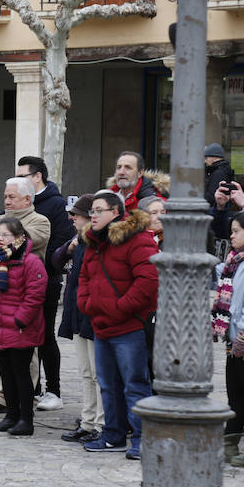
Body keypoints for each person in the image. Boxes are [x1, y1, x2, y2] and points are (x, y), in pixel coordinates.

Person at [77, 191, 158, 460]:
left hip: (129, 327)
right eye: (92, 212)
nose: (94, 216)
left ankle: (142, 439)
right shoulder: (93, 242)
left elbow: (148, 281)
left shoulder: (138, 239)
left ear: (115, 212)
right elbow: (85, 277)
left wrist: (120, 309)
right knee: (108, 384)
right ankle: (113, 435)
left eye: (99, 210)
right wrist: (87, 305)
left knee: (135, 384)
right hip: (101, 325)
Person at [0, 177, 50, 413]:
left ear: (28, 199)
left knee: (24, 361)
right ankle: (4, 398)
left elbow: (28, 239)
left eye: (12, 197)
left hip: (20, 303)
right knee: (0, 359)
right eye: (5, 196)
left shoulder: (40, 221)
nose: (6, 201)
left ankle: (24, 404)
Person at [15, 156, 75, 411]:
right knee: (26, 335)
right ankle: (32, 387)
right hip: (22, 278)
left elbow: (61, 241)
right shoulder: (19, 202)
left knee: (46, 335)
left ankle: (54, 390)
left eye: (22, 176)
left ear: (37, 176)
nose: (18, 181)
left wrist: (40, 265)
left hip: (47, 278)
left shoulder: (56, 204)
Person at [52, 194, 104, 444]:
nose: (72, 218)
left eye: (77, 215)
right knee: (85, 372)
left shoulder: (99, 242)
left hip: (93, 312)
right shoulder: (79, 240)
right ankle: (87, 421)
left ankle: (101, 424)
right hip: (77, 310)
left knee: (97, 373)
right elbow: (56, 260)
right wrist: (69, 247)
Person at [212, 211, 244, 467]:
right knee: (235, 395)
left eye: (237, 230)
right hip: (235, 338)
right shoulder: (234, 261)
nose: (232, 235)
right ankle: (230, 442)